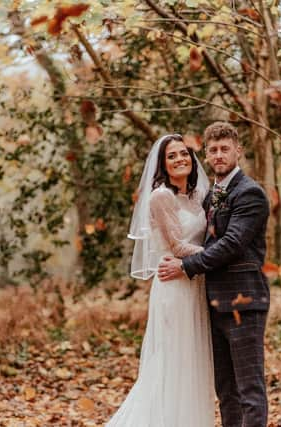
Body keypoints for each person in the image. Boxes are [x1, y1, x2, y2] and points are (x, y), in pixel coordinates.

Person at [158, 122, 270, 427]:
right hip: (213, 303)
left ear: (238, 151)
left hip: (243, 301)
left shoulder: (250, 194)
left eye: (225, 149)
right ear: (206, 155)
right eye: (213, 150)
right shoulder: (211, 194)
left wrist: (185, 267)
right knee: (226, 391)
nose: (219, 155)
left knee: (249, 389)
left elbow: (232, 244)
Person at [106, 134, 215, 426]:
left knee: (191, 361)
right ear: (163, 165)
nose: (180, 159)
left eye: (184, 153)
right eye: (172, 156)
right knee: (172, 361)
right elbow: (178, 246)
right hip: (175, 287)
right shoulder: (161, 196)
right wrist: (222, 255)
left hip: (195, 283)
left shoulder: (197, 196)